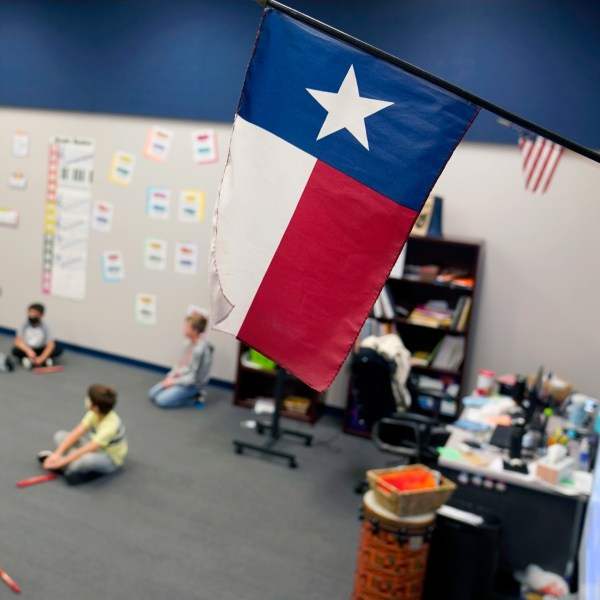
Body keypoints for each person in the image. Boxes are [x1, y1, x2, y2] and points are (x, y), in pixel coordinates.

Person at [38, 384, 127, 485]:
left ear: (96, 407)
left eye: (90, 399)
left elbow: (90, 448)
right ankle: (67, 464)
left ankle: (67, 466)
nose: (87, 400)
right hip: (95, 448)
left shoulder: (110, 426)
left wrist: (62, 462)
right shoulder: (94, 413)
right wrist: (57, 454)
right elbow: (76, 433)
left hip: (109, 459)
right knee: (60, 436)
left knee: (87, 460)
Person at [148, 313, 214, 408]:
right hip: (181, 378)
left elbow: (193, 378)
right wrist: (171, 376)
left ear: (195, 331)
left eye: (187, 327)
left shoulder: (201, 350)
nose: (184, 329)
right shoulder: (188, 343)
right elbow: (181, 365)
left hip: (192, 384)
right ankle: (177, 391)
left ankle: (196, 397)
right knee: (152, 394)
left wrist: (172, 382)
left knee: (161, 401)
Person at [12, 302, 63, 369]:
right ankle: (39, 360)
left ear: (41, 315)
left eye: (35, 313)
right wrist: (28, 351)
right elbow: (17, 341)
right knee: (15, 351)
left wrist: (42, 358)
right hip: (28, 349)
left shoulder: (45, 327)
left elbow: (51, 344)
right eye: (30, 312)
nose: (32, 315)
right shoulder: (24, 325)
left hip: (40, 349)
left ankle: (37, 360)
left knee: (58, 349)